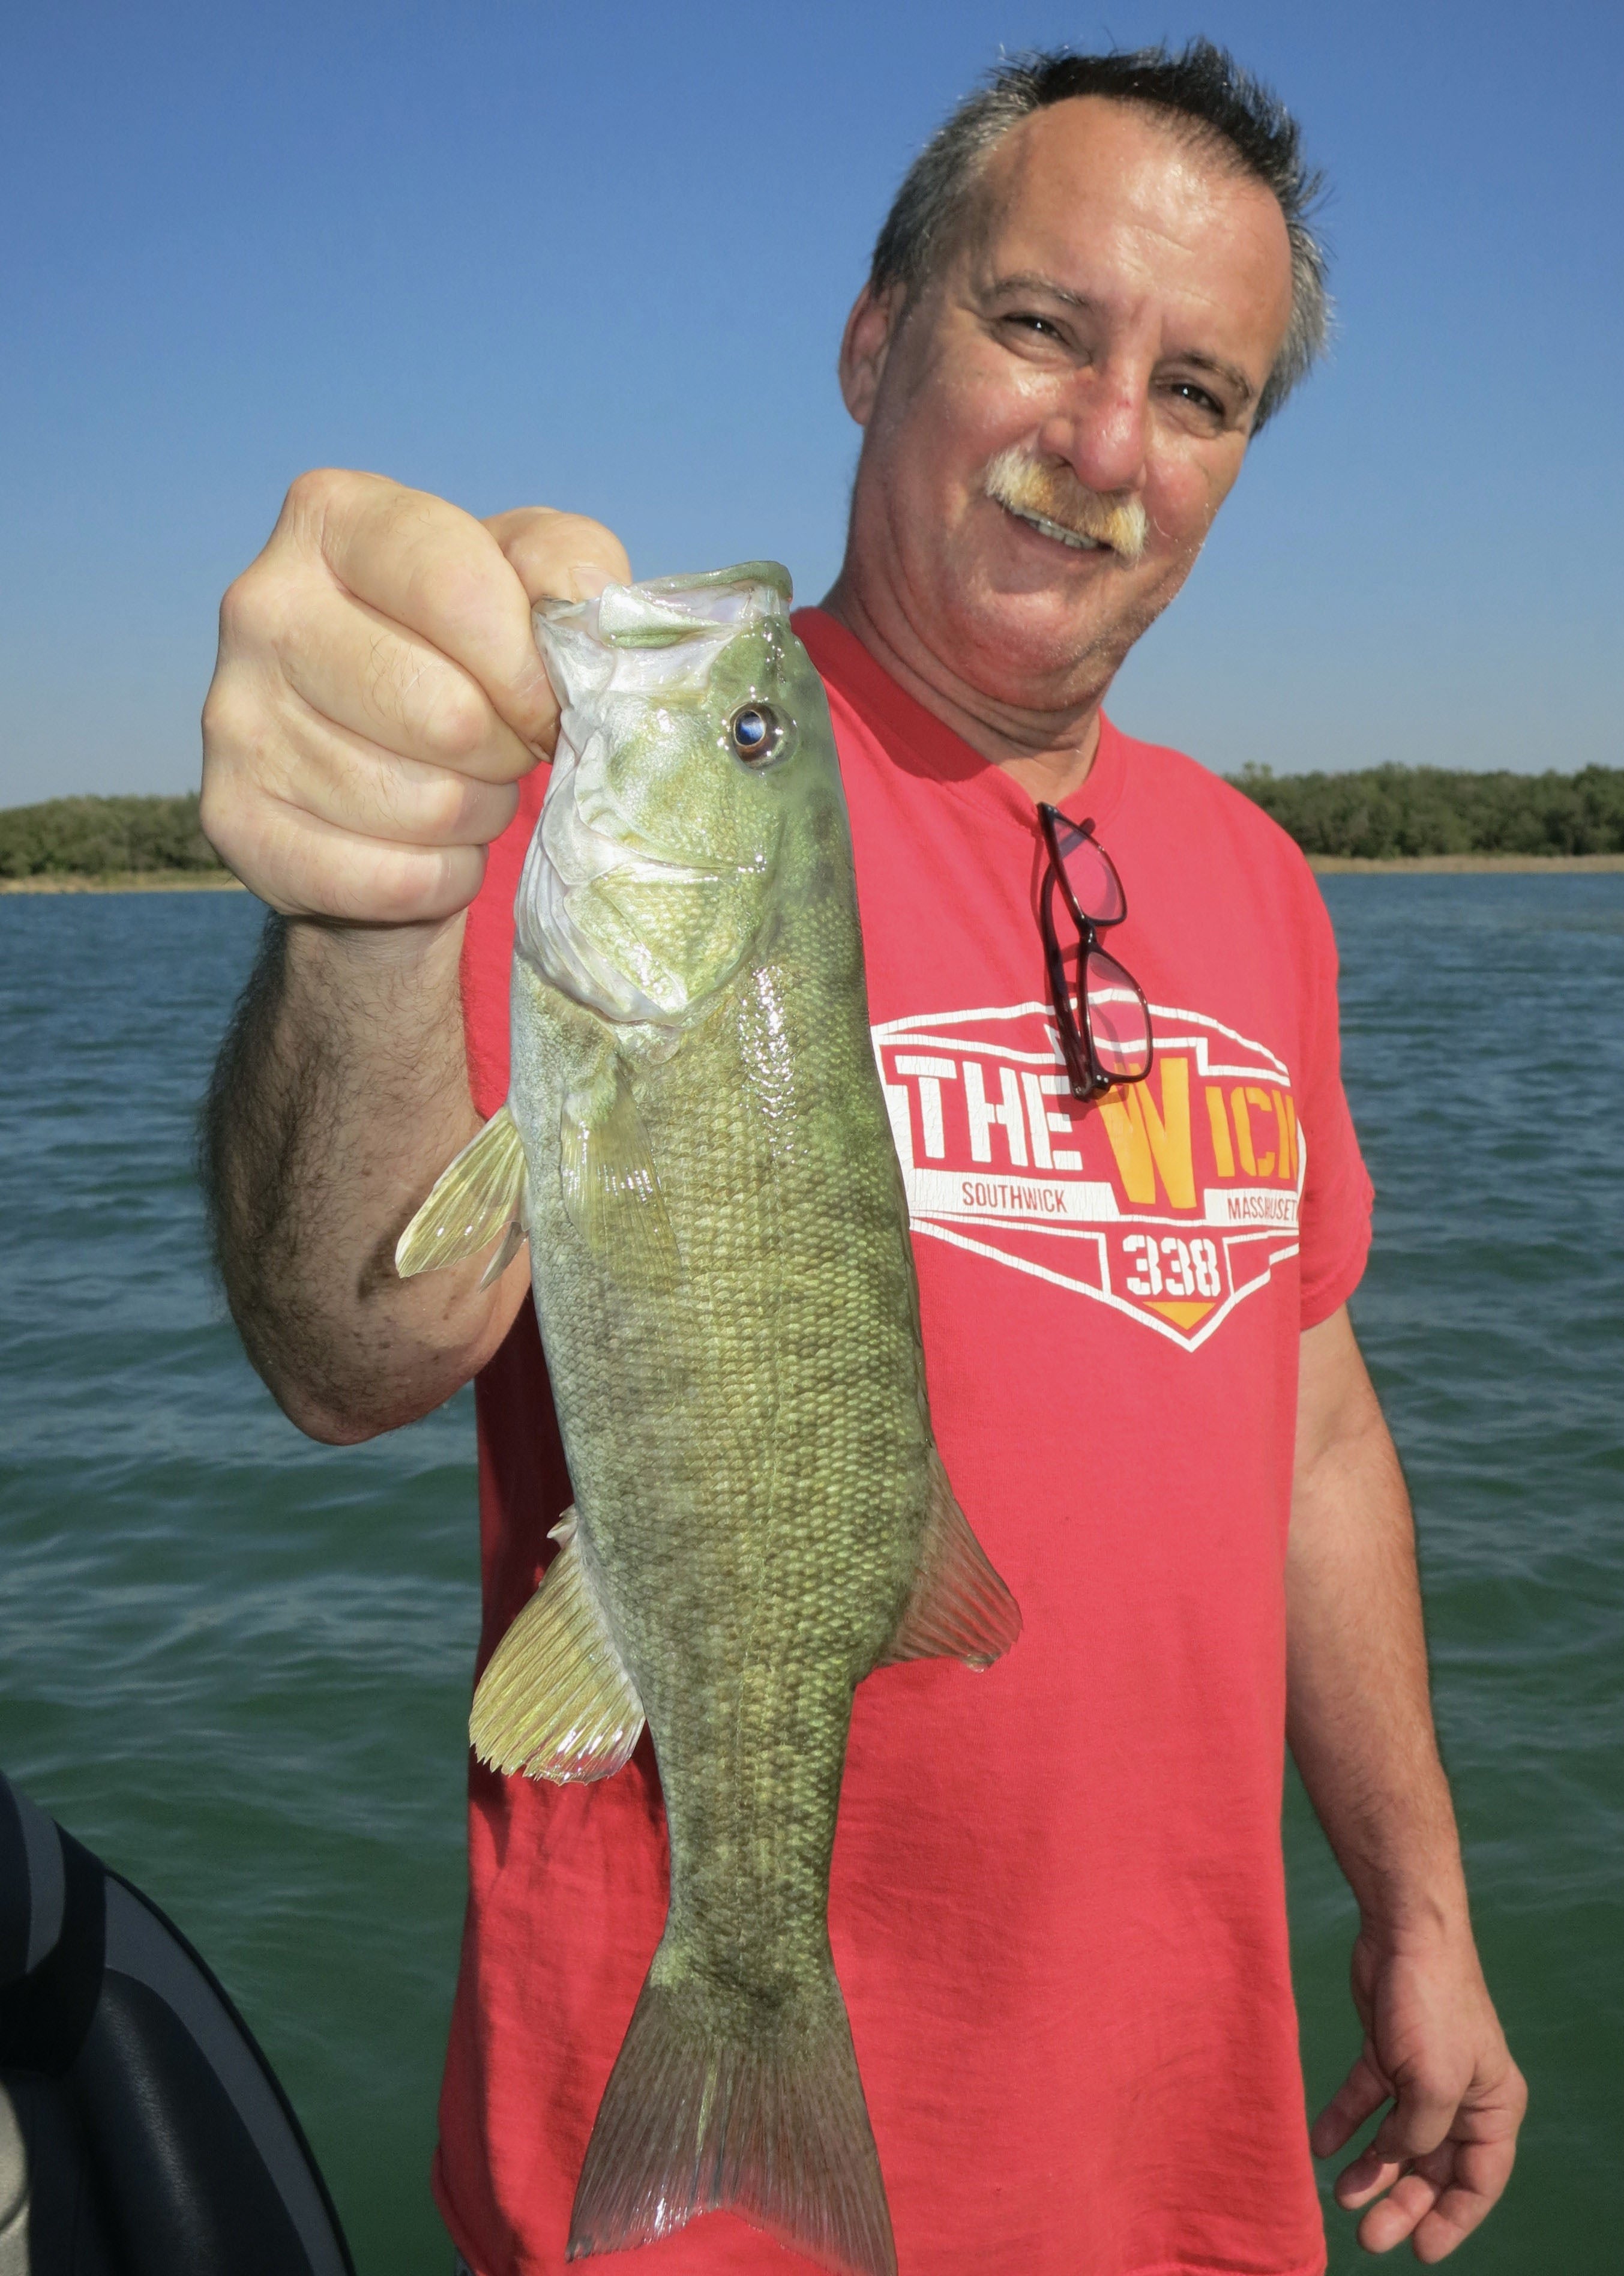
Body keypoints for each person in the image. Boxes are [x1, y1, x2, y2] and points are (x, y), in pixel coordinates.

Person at [199, 40, 1527, 2276]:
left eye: (1199, 392)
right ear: (871, 339)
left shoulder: (1256, 884)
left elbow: (1303, 1423)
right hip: (688, 2207)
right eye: (1041, 323)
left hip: (1188, 2178)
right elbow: (346, 1344)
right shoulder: (597, 829)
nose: (1107, 442)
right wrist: (366, 914)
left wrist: (1419, 1902)